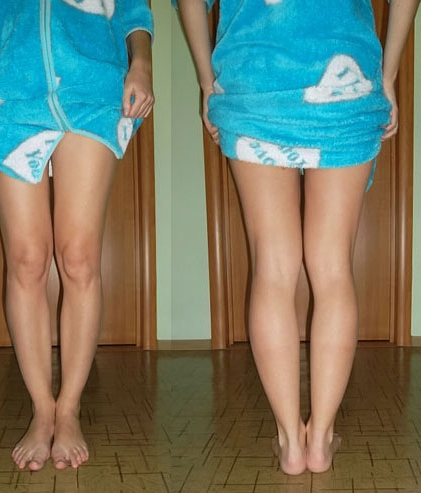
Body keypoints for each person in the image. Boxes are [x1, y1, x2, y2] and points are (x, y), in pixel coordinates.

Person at [173, 0, 419, 475]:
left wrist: (207, 82)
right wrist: (388, 75)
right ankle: (320, 440)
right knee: (332, 269)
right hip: (344, 79)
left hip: (253, 82)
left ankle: (290, 441)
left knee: (273, 267)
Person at [0, 0, 154, 471]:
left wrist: (141, 63)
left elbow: (133, 7)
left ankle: (69, 408)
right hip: (7, 90)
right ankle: (43, 409)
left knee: (79, 257)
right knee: (26, 260)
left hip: (91, 85)